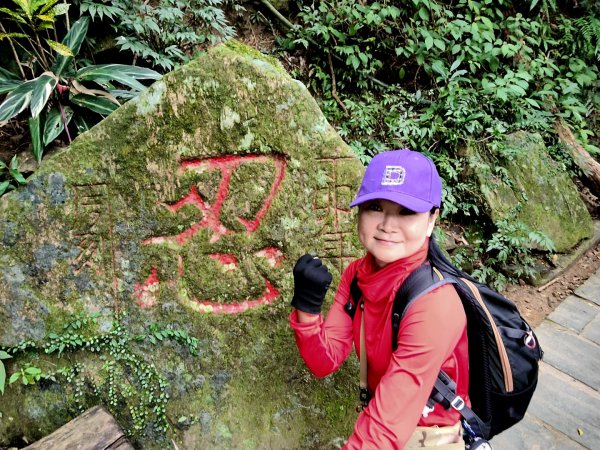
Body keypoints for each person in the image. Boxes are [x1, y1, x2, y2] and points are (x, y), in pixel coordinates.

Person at [289, 149, 470, 450]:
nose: (387, 224)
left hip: (428, 436)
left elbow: (385, 428)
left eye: (406, 211)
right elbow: (325, 361)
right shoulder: (358, 276)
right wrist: (307, 308)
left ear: (431, 220)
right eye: (375, 206)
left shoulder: (435, 304)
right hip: (381, 423)